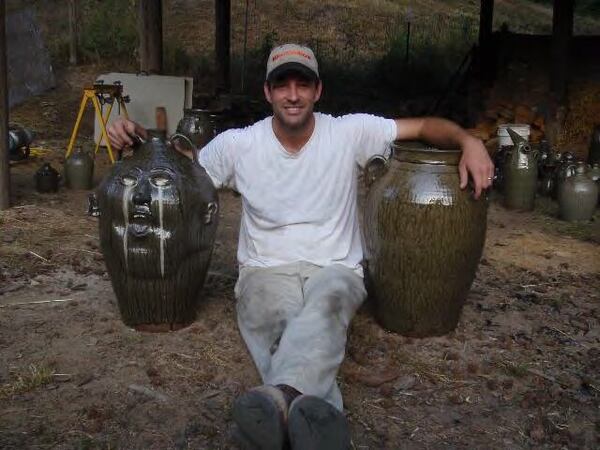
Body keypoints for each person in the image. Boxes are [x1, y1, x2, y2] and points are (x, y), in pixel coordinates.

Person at [107, 43, 494, 450]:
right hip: (264, 271)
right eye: (282, 84)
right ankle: (313, 422)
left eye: (302, 84)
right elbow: (177, 170)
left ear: (318, 90)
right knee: (279, 319)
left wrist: (469, 142)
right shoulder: (239, 145)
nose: (293, 94)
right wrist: (136, 141)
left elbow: (425, 126)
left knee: (324, 312)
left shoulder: (348, 133)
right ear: (267, 93)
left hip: (336, 269)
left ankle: (277, 403)